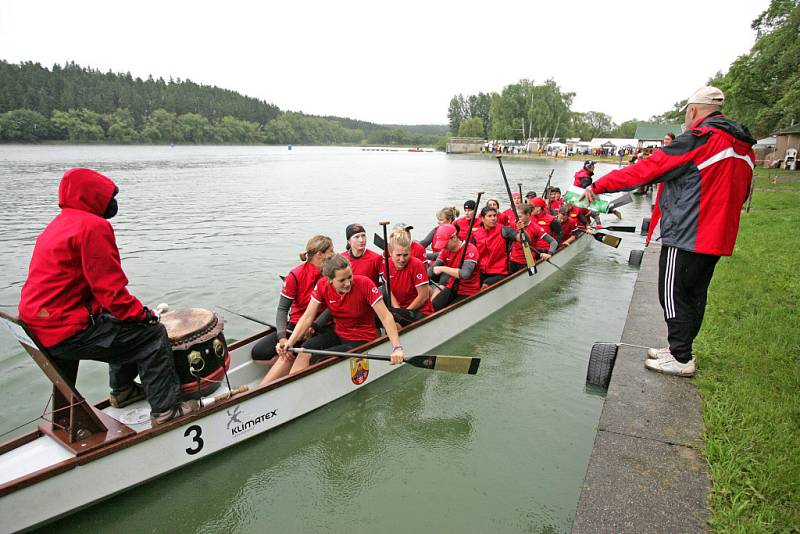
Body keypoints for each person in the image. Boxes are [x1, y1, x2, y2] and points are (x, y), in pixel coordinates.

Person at [580, 86, 756, 377]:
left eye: (687, 115)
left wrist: (599, 185)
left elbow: (648, 169)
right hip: (719, 233)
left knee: (671, 293)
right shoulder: (742, 146)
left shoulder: (700, 140)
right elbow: (745, 192)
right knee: (695, 294)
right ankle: (679, 349)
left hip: (689, 231)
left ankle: (681, 357)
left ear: (692, 111)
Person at [18, 168, 195, 425]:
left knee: (120, 320)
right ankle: (168, 411)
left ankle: (123, 392)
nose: (113, 203)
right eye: (110, 196)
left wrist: (130, 314)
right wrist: (144, 316)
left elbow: (94, 291)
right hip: (65, 330)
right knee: (152, 334)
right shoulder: (93, 226)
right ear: (93, 196)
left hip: (39, 326)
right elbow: (109, 288)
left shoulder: (59, 223)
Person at [260, 254, 405, 385]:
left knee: (318, 359)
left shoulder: (365, 284)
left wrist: (396, 348)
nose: (348, 283)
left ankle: (297, 387)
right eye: (342, 280)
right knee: (306, 348)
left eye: (350, 277)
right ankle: (289, 386)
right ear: (329, 280)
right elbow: (307, 317)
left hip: (362, 338)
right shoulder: (322, 285)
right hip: (339, 333)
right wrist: (289, 342)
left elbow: (386, 317)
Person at [251, 235, 334, 365]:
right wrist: (282, 338)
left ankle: (292, 363)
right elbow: (282, 309)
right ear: (319, 254)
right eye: (331, 251)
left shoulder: (331, 274)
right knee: (258, 353)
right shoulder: (294, 275)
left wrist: (314, 326)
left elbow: (332, 307)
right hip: (296, 325)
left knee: (305, 348)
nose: (334, 254)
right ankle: (290, 361)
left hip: (321, 325)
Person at [380, 229, 434, 324]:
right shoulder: (386, 265)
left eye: (406, 255)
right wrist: (397, 310)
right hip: (401, 310)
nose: (402, 259)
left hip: (420, 311)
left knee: (394, 324)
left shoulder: (417, 265)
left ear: (410, 251)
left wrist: (403, 313)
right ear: (390, 252)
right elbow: (389, 290)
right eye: (398, 255)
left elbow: (423, 296)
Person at [428, 224, 480, 310]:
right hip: (452, 287)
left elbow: (465, 274)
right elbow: (433, 269)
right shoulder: (445, 250)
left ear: (454, 237)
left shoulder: (470, 249)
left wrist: (442, 269)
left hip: (468, 290)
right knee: (433, 307)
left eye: (445, 243)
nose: (443, 246)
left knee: (449, 310)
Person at [503, 204, 557, 273]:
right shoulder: (514, 224)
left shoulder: (536, 228)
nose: (517, 219)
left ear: (528, 215)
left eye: (519, 216)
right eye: (516, 216)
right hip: (513, 260)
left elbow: (553, 242)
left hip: (527, 262)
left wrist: (549, 254)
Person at [473, 206, 512, 288]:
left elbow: (523, 239)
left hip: (501, 272)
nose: (493, 218)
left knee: (485, 286)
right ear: (482, 219)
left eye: (495, 215)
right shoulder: (476, 234)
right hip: (482, 271)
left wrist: (522, 230)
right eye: (490, 216)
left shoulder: (504, 230)